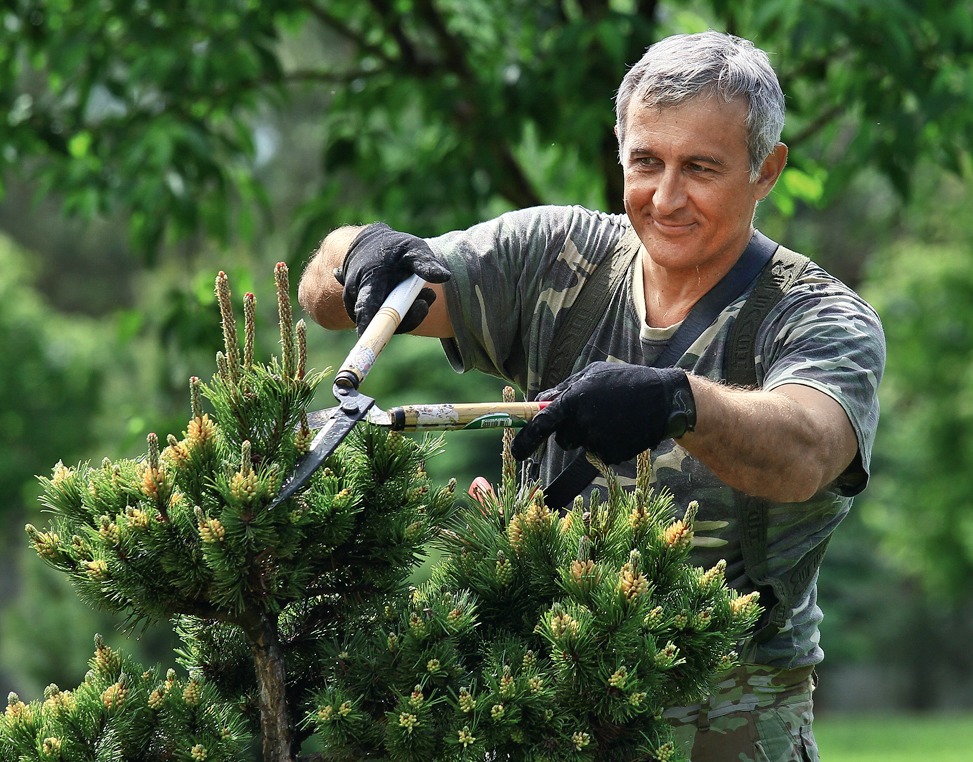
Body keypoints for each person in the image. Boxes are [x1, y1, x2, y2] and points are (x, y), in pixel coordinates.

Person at [298, 31, 885, 762]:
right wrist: (357, 254)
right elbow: (324, 296)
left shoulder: (819, 315)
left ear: (765, 170)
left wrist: (678, 401)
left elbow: (806, 450)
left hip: (728, 717)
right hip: (544, 705)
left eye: (700, 167)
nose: (666, 198)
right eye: (645, 162)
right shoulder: (554, 256)